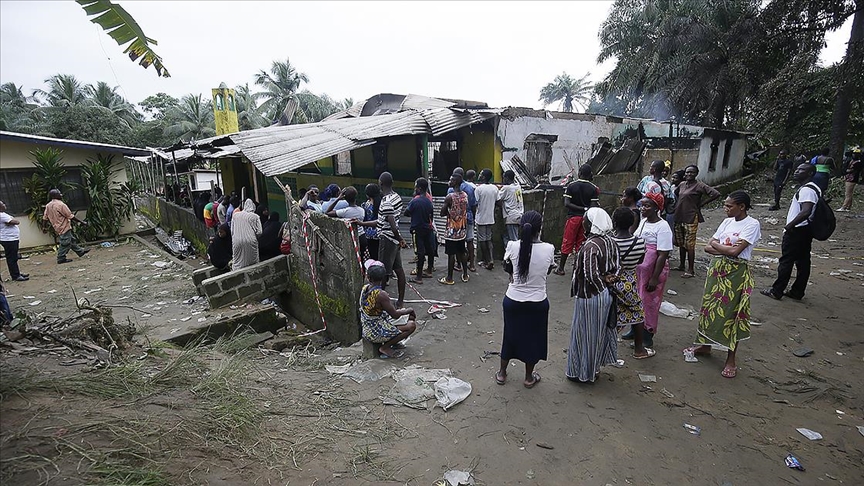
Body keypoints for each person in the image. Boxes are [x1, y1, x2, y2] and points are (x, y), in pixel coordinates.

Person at [685, 190, 760, 379]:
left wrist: (720, 247)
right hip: (717, 271)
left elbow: (735, 252)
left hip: (736, 273)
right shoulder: (727, 222)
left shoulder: (752, 224)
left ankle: (731, 358)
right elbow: (707, 246)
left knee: (733, 314)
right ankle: (705, 345)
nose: (725, 208)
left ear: (741, 207)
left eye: (729, 206)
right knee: (709, 309)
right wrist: (726, 249)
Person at [495, 211, 555, 388]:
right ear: (540, 228)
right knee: (533, 339)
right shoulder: (549, 248)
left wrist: (514, 275)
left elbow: (507, 267)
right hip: (538, 303)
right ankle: (529, 378)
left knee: (509, 336)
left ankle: (502, 373)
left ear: (521, 227)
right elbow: (548, 271)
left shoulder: (512, 246)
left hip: (513, 301)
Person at [566, 207, 620, 383]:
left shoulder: (591, 245)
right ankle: (593, 369)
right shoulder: (611, 241)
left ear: (591, 224)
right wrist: (608, 282)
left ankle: (582, 373)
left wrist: (599, 287)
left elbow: (590, 275)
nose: (583, 222)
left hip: (590, 296)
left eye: (585, 220)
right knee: (596, 335)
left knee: (584, 335)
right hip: (604, 295)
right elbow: (617, 267)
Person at [762, 163, 818, 301]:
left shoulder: (807, 190)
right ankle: (797, 291)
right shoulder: (812, 188)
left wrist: (789, 226)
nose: (796, 171)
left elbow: (806, 211)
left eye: (801, 170)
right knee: (803, 261)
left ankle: (777, 291)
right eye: (797, 169)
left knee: (787, 261)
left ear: (810, 173)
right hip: (805, 229)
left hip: (797, 230)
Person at [610, 208, 652, 358]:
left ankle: (606, 348)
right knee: (637, 312)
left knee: (610, 313)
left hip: (610, 280)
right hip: (629, 281)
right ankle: (639, 349)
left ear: (614, 223)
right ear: (632, 223)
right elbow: (640, 261)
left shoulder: (609, 242)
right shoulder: (640, 242)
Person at [634, 192, 673, 349]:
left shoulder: (663, 227)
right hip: (639, 270)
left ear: (657, 208)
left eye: (647, 206)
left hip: (652, 270)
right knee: (637, 299)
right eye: (642, 205)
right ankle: (635, 329)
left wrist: (655, 277)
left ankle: (647, 334)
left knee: (649, 301)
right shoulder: (643, 222)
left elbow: (663, 254)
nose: (643, 208)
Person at [359, 263, 417, 359]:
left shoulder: (365, 288)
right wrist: (409, 310)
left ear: (368, 277)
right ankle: (385, 347)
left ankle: (392, 341)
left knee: (408, 317)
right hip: (374, 331)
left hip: (368, 325)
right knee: (411, 325)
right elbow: (395, 315)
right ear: (383, 278)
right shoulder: (381, 294)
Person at [673, 165, 721, 277]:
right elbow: (676, 193)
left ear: (696, 174)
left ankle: (690, 270)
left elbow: (715, 194)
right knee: (681, 243)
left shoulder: (700, 185)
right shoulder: (682, 184)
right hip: (679, 216)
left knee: (689, 245)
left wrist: (701, 204)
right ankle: (681, 265)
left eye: (692, 172)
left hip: (691, 217)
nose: (689, 174)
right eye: (687, 172)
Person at [555, 164, 600, 275]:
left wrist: (580, 208)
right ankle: (578, 268)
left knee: (567, 241)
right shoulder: (593, 188)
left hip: (573, 218)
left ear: (579, 173)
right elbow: (594, 206)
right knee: (581, 243)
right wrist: (585, 209)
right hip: (586, 219)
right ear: (590, 175)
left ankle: (561, 268)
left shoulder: (571, 186)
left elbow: (567, 204)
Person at [377, 172, 407, 308]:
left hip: (388, 238)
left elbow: (391, 224)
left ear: (380, 183)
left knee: (382, 273)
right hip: (393, 238)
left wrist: (400, 238)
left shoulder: (386, 201)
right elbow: (384, 221)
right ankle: (400, 301)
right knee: (398, 269)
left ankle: (380, 303)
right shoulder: (396, 197)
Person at [43, 189, 89, 264]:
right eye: (59, 193)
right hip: (64, 226)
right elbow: (70, 216)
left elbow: (45, 218)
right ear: (55, 195)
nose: (61, 194)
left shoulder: (48, 205)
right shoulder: (61, 205)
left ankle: (80, 251)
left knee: (71, 240)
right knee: (65, 242)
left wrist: (44, 227)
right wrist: (82, 222)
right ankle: (61, 258)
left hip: (56, 226)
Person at [440, 173, 469, 285]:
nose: (449, 181)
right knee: (462, 252)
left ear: (455, 182)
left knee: (451, 254)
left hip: (452, 230)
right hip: (461, 229)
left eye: (451, 180)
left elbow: (442, 213)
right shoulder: (465, 195)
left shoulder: (450, 197)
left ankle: (449, 278)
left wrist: (448, 210)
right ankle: (465, 275)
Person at [405, 178, 435, 284]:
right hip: (427, 228)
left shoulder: (415, 201)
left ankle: (419, 276)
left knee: (419, 252)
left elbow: (406, 212)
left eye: (416, 187)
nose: (415, 189)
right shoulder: (429, 201)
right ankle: (429, 270)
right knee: (430, 249)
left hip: (417, 229)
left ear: (419, 188)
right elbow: (431, 215)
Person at [448, 167, 477, 272]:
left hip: (456, 220)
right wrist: (472, 217)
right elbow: (473, 205)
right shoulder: (470, 188)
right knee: (470, 241)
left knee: (457, 242)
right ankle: (472, 265)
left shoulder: (451, 190)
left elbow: (448, 206)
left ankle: (459, 264)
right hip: (468, 217)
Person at [474, 169, 498, 270]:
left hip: (481, 218)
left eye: (480, 174)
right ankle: (491, 259)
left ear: (483, 177)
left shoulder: (478, 189)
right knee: (489, 239)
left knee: (482, 240)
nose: (479, 175)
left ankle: (486, 261)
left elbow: (475, 202)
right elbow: (498, 201)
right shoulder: (495, 188)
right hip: (490, 217)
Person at [0, 200, 29, 281]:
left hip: (11, 238)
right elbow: (15, 222)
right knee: (12, 258)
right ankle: (15, 275)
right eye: (2, 204)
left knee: (14, 257)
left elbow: (11, 222)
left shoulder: (3, 214)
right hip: (8, 239)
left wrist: (11, 222)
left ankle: (17, 273)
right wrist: (12, 221)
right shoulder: (1, 215)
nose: (4, 205)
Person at [231, 199, 263, 270]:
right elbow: (259, 232)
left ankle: (236, 273)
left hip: (237, 240)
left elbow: (232, 231)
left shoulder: (235, 215)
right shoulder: (255, 216)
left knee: (237, 260)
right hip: (251, 240)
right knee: (253, 260)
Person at [497, 169, 524, 245]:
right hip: (519, 214)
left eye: (504, 178)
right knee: (508, 236)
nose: (503, 179)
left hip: (511, 216)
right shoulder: (518, 186)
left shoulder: (506, 188)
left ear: (507, 178)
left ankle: (516, 252)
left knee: (514, 240)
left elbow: (497, 197)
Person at [357, 184, 382, 261]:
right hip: (381, 233)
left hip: (369, 235)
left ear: (367, 195)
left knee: (373, 256)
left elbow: (364, 219)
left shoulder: (365, 206)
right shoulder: (382, 203)